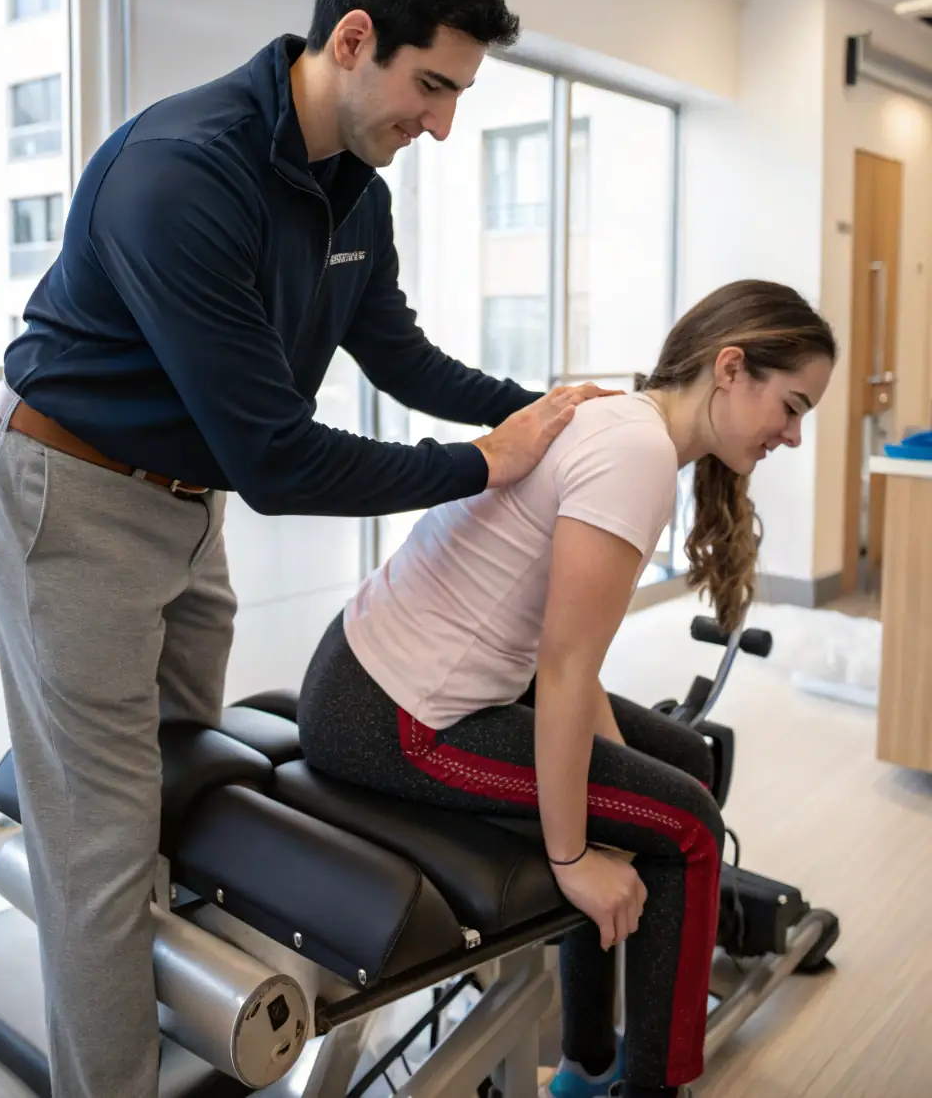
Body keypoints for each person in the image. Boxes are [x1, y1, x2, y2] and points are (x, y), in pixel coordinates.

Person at [0, 0, 611, 1098]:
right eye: (433, 86)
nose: (444, 124)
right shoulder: (182, 174)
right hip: (70, 500)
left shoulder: (354, 184)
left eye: (460, 94)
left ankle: (150, 1016)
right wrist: (483, 466)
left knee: (175, 783)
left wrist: (555, 411)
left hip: (182, 502)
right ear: (354, 38)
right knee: (102, 844)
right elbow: (279, 457)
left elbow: (402, 358)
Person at [298, 280, 837, 1098]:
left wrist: (619, 803)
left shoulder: (629, 425)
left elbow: (565, 666)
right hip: (392, 713)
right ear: (731, 367)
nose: (794, 435)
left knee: (680, 762)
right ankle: (640, 1084)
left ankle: (587, 1060)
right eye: (791, 406)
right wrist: (573, 852)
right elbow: (565, 669)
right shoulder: (638, 453)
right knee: (689, 827)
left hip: (389, 674)